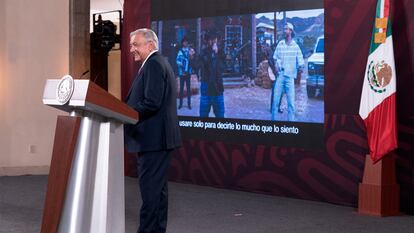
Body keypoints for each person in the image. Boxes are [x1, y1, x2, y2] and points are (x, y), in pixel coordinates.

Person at [124, 28, 182, 233]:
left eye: (135, 44)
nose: (131, 49)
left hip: (154, 141)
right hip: (157, 140)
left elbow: (151, 102)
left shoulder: (154, 64)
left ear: (150, 45)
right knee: (157, 192)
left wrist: (124, 111)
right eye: (131, 45)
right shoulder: (156, 63)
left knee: (150, 193)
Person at [271, 23, 304, 121]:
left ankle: (291, 125)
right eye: (284, 29)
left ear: (290, 31)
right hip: (280, 76)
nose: (284, 31)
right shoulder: (280, 44)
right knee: (275, 102)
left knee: (291, 104)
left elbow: (301, 61)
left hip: (290, 77)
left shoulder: (295, 46)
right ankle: (273, 125)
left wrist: (301, 68)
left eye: (286, 29)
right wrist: (276, 67)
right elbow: (275, 58)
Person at [199, 33, 225, 118]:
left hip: (218, 87)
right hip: (206, 86)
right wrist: (213, 55)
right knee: (203, 116)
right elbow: (204, 65)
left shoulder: (221, 52)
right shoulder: (203, 52)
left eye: (215, 39)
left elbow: (222, 68)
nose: (213, 41)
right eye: (211, 39)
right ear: (207, 41)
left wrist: (217, 54)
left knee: (220, 116)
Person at [176, 37, 192, 109]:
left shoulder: (190, 51)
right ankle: (180, 104)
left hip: (188, 72)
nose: (185, 43)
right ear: (182, 43)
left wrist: (191, 55)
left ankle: (189, 104)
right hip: (181, 72)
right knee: (181, 89)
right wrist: (180, 64)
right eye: (184, 42)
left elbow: (192, 60)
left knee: (188, 89)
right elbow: (177, 60)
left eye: (186, 42)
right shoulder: (180, 51)